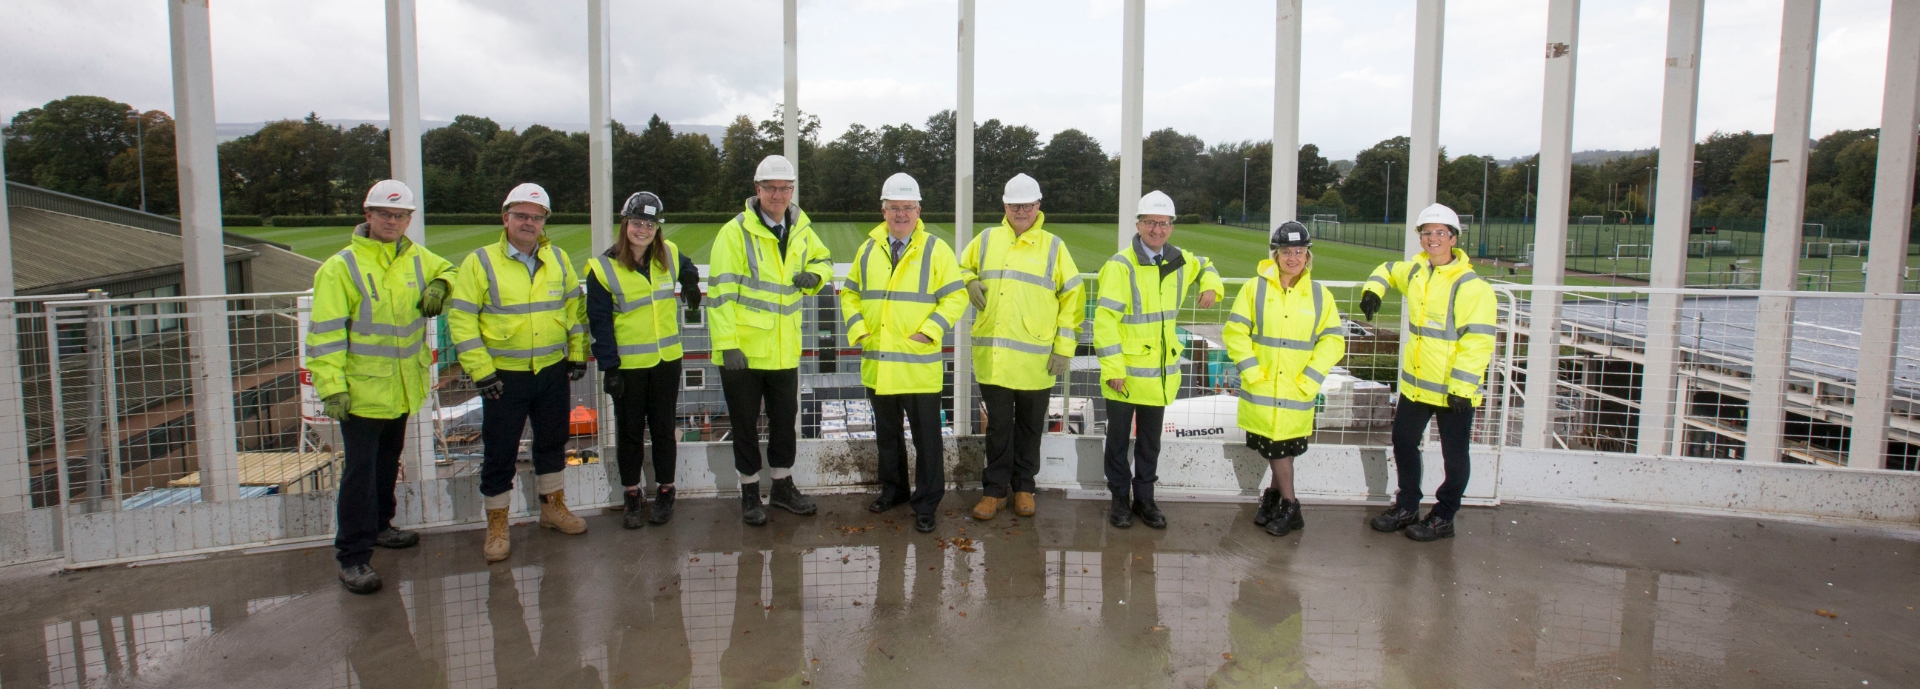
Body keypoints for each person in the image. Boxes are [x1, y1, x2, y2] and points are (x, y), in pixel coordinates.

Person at [306, 179, 454, 593]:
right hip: (361, 393)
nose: (392, 221)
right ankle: (352, 556)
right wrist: (332, 387)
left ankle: (380, 526)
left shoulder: (415, 258)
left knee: (388, 463)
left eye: (400, 215)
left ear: (409, 220)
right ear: (367, 215)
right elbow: (325, 334)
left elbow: (449, 269)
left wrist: (441, 285)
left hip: (403, 388)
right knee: (359, 473)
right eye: (385, 214)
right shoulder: (342, 267)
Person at [447, 182, 590, 563]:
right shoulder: (480, 262)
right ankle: (496, 524)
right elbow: (461, 320)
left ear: (545, 222)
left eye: (537, 217)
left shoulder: (558, 258)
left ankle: (552, 508)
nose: (529, 222)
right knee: (500, 451)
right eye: (522, 215)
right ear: (505, 217)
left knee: (552, 442)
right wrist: (482, 371)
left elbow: (574, 311)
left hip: (550, 370)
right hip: (503, 376)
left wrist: (577, 354)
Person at [1357, 203, 1497, 541]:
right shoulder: (1417, 272)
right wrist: (1373, 291)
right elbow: (1387, 269)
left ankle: (1445, 515)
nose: (1432, 238)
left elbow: (1478, 342)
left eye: (1439, 233)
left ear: (1453, 239)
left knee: (1454, 456)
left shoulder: (1471, 287)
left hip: (1453, 392)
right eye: (1426, 233)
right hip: (1417, 386)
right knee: (1403, 442)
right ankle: (1407, 506)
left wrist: (1463, 388)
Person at [707, 155, 833, 526]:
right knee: (744, 425)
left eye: (784, 188)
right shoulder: (735, 233)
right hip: (742, 353)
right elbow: (720, 294)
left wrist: (816, 276)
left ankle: (781, 486)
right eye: (771, 188)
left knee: (784, 421)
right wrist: (727, 343)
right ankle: (749, 491)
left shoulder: (801, 228)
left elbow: (825, 260)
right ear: (757, 189)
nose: (778, 195)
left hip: (783, 349)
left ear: (792, 190)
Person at [842, 173, 969, 533]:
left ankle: (927, 503)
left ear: (918, 210)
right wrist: (859, 330)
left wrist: (929, 332)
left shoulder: (935, 249)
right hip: (879, 362)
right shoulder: (868, 249)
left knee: (927, 440)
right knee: (887, 435)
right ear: (883, 211)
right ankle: (893, 491)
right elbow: (849, 293)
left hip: (918, 364)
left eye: (908, 208)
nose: (901, 215)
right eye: (894, 208)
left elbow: (956, 296)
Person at [1092, 190, 1222, 529]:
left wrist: (1210, 287)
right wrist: (1114, 369)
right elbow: (1104, 323)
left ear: (1171, 226)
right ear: (1138, 224)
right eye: (1150, 223)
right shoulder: (1121, 266)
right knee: (1118, 444)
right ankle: (1120, 501)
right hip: (1126, 375)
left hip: (1161, 376)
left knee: (1150, 444)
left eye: (1163, 223)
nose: (1157, 230)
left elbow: (1206, 265)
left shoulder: (1179, 260)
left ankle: (1145, 501)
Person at [958, 173, 1085, 521]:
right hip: (995, 357)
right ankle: (994, 492)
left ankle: (1025, 488)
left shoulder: (1054, 247)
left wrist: (1064, 347)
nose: (1021, 211)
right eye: (1015, 205)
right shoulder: (986, 240)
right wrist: (969, 280)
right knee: (999, 426)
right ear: (1005, 205)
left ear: (1038, 206)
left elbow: (1073, 298)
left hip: (1037, 358)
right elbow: (959, 269)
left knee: (1030, 427)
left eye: (1027, 205)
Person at [586, 191, 702, 528]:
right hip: (628, 368)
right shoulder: (603, 268)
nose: (643, 229)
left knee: (664, 430)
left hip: (666, 362)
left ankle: (666, 491)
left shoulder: (668, 253)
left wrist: (691, 281)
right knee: (630, 433)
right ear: (625, 224)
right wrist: (609, 368)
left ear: (657, 228)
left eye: (649, 224)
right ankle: (632, 495)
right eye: (637, 223)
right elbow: (600, 323)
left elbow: (688, 265)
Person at [1223, 221, 1345, 537]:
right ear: (1276, 255)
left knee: (1283, 448)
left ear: (1308, 257)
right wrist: (1252, 371)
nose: (1293, 258)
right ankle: (1275, 499)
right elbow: (1235, 332)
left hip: (1297, 391)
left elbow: (1333, 340)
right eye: (1287, 251)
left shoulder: (1320, 295)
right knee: (1277, 448)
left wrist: (1311, 378)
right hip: (1263, 388)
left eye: (1300, 252)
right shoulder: (1254, 288)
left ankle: (1290, 506)